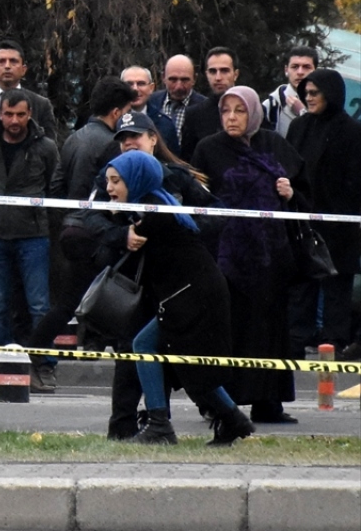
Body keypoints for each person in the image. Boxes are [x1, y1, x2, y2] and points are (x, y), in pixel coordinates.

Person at [66, 112, 221, 436]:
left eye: (135, 136)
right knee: (129, 350)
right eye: (123, 138)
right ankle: (124, 426)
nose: (129, 143)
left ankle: (177, 420)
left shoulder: (177, 176)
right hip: (131, 281)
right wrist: (120, 236)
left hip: (174, 281)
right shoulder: (108, 177)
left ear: (153, 138)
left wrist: (176, 232)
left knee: (172, 353)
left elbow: (216, 215)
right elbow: (90, 219)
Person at [103, 150, 255, 446]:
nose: (109, 188)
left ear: (136, 180)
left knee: (145, 345)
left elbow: (128, 232)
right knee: (189, 364)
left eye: (115, 181)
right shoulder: (153, 202)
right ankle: (234, 419)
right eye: (108, 181)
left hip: (193, 294)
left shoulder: (153, 209)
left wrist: (121, 224)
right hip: (191, 292)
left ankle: (159, 424)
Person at [191, 86, 306, 424]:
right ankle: (223, 404)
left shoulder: (274, 144)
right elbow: (197, 198)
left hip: (270, 258)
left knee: (269, 332)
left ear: (253, 113)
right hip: (226, 258)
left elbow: (303, 191)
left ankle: (268, 401)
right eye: (226, 110)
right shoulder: (208, 149)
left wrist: (290, 192)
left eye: (239, 111)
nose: (231, 117)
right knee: (228, 330)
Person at [0, 89, 62, 366]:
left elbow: (54, 185)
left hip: (33, 235)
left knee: (39, 305)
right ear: (0, 114)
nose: (14, 120)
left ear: (30, 115)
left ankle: (43, 361)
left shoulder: (46, 146)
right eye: (8, 114)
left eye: (20, 115)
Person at [286, 69, 361, 355]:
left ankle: (334, 342)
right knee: (302, 285)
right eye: (306, 93)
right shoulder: (300, 127)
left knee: (337, 287)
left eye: (315, 93)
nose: (309, 98)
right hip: (303, 221)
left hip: (339, 225)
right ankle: (296, 341)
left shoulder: (352, 131)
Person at [56, 77, 136, 200]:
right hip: (92, 215)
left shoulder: (72, 138)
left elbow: (56, 184)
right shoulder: (113, 144)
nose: (130, 117)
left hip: (68, 215)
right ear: (116, 113)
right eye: (127, 112)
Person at [0, 40, 57, 141]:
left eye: (13, 61)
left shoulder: (41, 104)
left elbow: (49, 148)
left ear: (23, 70)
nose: (7, 66)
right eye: (1, 61)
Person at [179, 47, 240, 160]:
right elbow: (188, 161)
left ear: (235, 74)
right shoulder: (195, 115)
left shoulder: (252, 110)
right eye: (212, 71)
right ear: (206, 74)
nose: (218, 77)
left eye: (224, 71)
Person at [120, 66, 180, 155]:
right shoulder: (112, 120)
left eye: (141, 83)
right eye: (129, 84)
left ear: (151, 88)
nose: (135, 89)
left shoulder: (165, 124)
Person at [263, 47, 318, 137]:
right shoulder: (270, 107)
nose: (300, 72)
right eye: (295, 67)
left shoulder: (322, 106)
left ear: (316, 71)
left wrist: (302, 112)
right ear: (286, 70)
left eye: (306, 67)